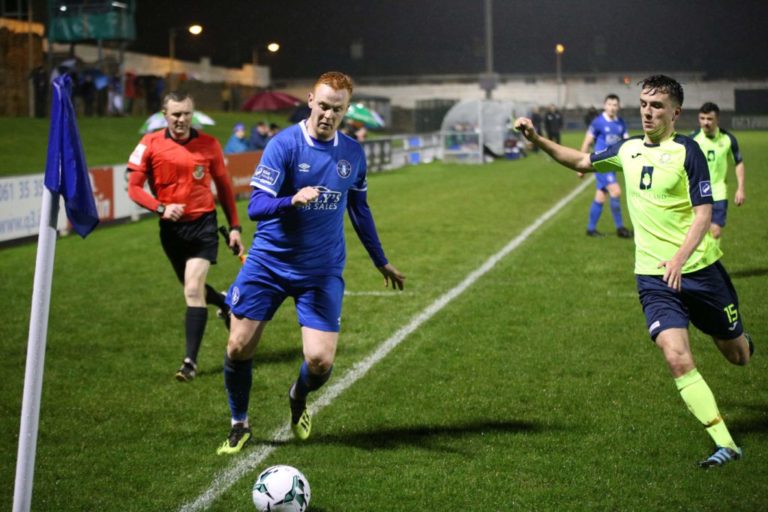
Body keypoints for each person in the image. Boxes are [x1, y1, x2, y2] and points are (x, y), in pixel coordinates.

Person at [514, 74, 753, 468]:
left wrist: (679, 258)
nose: (647, 111)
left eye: (656, 105)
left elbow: (703, 214)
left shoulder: (687, 151)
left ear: (675, 112)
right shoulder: (626, 150)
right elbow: (579, 160)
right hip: (653, 277)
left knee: (738, 356)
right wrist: (537, 140)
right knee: (676, 358)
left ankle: (739, 335)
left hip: (699, 270)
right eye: (643, 103)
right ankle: (724, 443)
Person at [216, 71, 405, 455]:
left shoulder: (352, 152)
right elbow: (254, 207)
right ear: (309, 101)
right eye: (322, 106)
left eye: (337, 109)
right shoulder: (283, 146)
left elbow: (360, 209)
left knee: (319, 361)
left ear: (346, 111)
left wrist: (380, 260)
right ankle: (240, 423)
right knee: (237, 347)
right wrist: (291, 200)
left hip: (320, 270)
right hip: (268, 265)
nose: (328, 115)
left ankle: (298, 396)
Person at [127, 91, 244, 382]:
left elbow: (225, 187)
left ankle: (190, 361)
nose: (181, 120)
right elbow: (133, 188)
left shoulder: (209, 144)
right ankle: (226, 304)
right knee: (195, 290)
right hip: (171, 231)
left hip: (203, 226)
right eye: (176, 114)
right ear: (164, 115)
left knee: (192, 290)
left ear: (193, 114)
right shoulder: (149, 143)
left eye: (186, 114)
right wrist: (161, 208)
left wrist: (234, 227)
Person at [691, 102, 746, 246]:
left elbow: (738, 162)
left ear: (717, 120)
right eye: (702, 118)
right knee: (698, 231)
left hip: (719, 191)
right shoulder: (693, 139)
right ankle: (703, 265)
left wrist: (740, 188)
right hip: (698, 191)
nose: (705, 122)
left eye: (709, 119)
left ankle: (712, 264)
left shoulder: (728, 139)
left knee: (715, 231)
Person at [579, 94, 633, 238]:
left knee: (601, 196)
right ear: (604, 105)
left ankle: (590, 230)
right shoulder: (598, 122)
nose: (612, 107)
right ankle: (620, 229)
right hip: (601, 164)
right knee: (615, 191)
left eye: (615, 105)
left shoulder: (620, 123)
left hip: (613, 165)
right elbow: (587, 142)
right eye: (609, 104)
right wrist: (580, 166)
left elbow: (627, 142)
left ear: (618, 107)